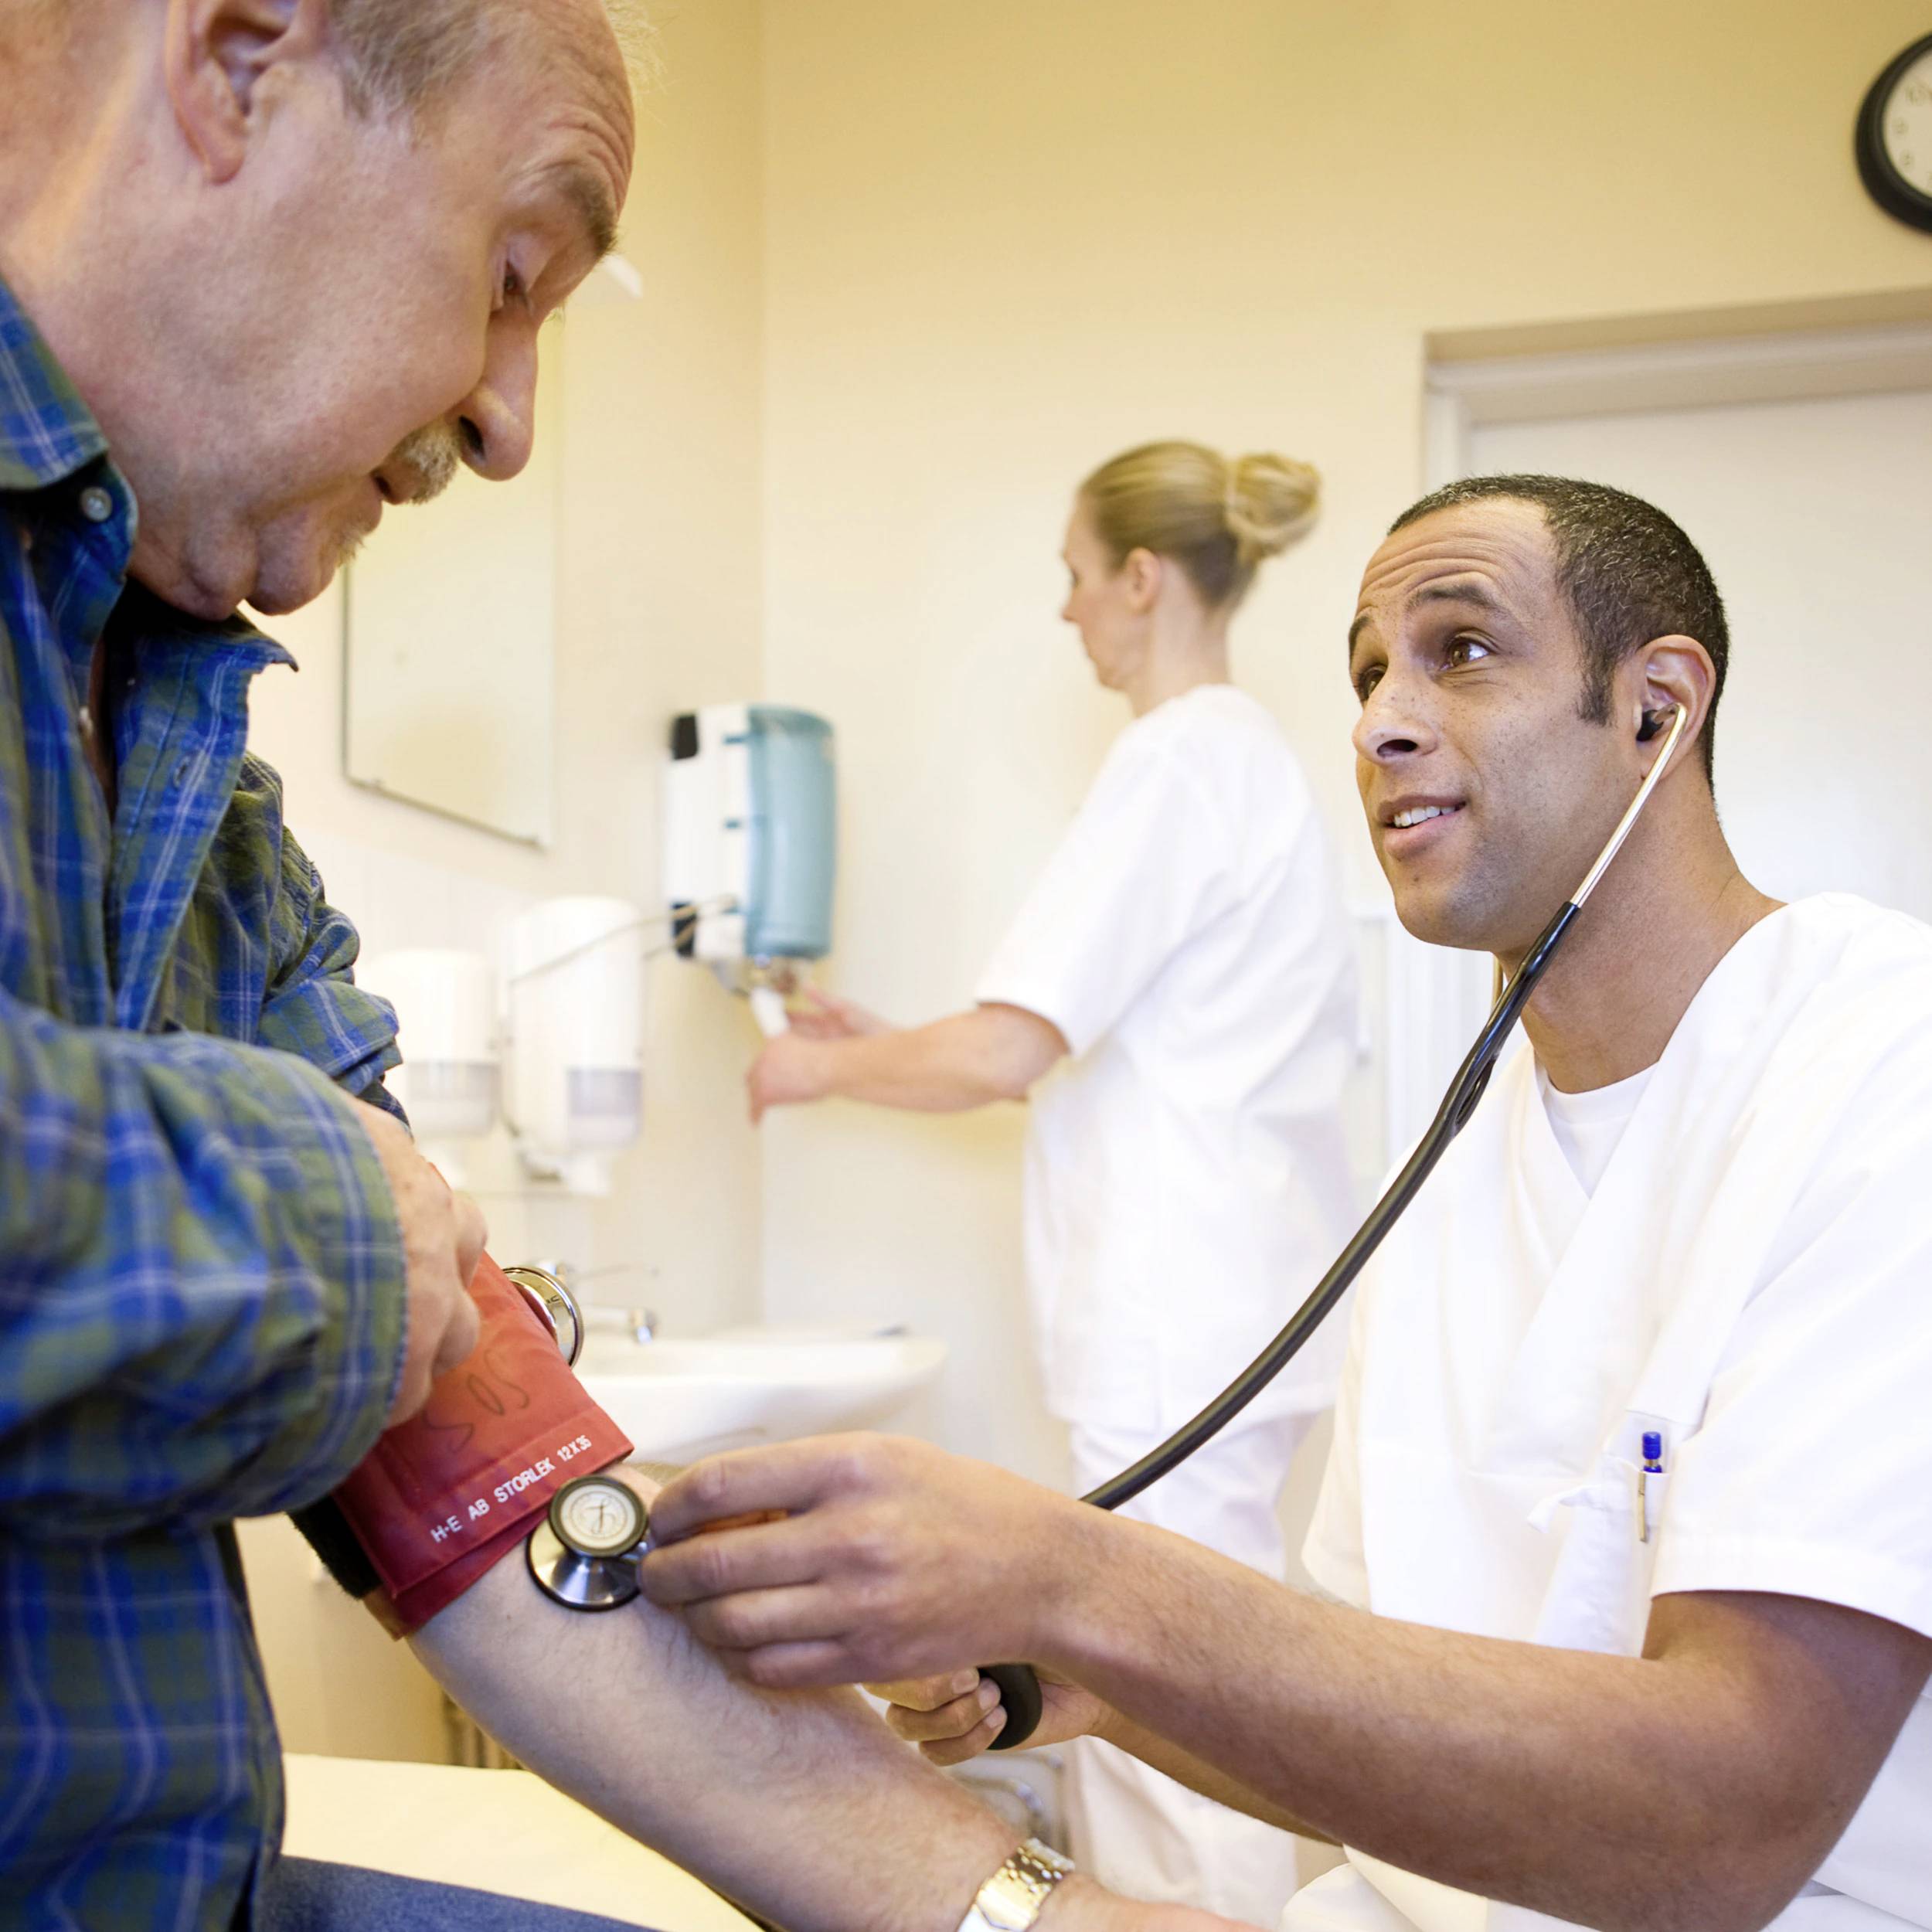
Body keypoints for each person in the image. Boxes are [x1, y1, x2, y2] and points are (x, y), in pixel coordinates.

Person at [0, 7, 1245, 1931]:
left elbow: (459, 1414)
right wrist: (349, 1224)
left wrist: (1008, 1914)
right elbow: (400, 1267)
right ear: (242, 64)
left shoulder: (185, 754)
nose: (507, 424)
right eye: (509, 282)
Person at [638, 476, 1932, 1932]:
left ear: (1656, 708)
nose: (1381, 720)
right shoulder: (1452, 1172)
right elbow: (1381, 1707)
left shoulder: (1883, 1067)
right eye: (1370, 670)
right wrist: (1096, 1686)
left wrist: (1082, 1584)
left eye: (1461, 649)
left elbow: (1731, 1816)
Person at [746, 438, 1359, 1923]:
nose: (1067, 613)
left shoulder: (1178, 760)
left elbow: (1009, 1051)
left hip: (1179, 1323)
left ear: (1143, 580)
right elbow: (1101, 1043)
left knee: (1167, 1716)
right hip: (1230, 1308)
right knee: (1193, 1696)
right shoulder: (1246, 764)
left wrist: (812, 1070)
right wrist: (896, 1041)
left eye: (1077, 579)